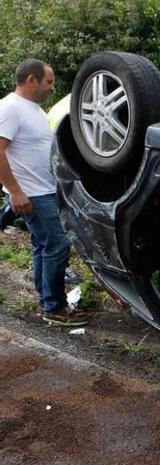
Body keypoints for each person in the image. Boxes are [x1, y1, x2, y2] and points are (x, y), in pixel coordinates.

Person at [0, 59, 88, 326]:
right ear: (31, 80)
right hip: (32, 194)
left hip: (44, 191)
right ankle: (54, 307)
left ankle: (46, 301)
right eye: (48, 82)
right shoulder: (10, 108)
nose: (52, 88)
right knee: (58, 245)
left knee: (44, 245)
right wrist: (16, 192)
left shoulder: (33, 109)